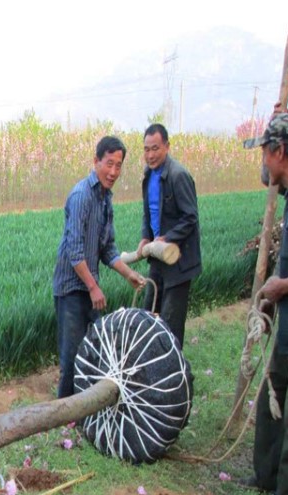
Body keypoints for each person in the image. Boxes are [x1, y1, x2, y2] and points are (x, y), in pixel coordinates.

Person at [52, 135, 146, 399]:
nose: (113, 171)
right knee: (71, 356)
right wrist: (94, 287)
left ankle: (87, 408)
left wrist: (129, 274)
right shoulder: (82, 195)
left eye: (118, 166)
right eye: (109, 164)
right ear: (96, 161)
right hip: (72, 289)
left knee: (95, 349)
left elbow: (107, 249)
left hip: (89, 286)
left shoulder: (105, 199)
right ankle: (65, 414)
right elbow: (74, 251)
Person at [242, 111, 288, 495]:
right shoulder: (287, 195)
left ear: (279, 151)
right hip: (286, 318)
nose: (262, 163)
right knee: (272, 397)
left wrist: (282, 286)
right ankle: (264, 475)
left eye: (264, 153)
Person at [136, 123, 201, 349]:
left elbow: (190, 217)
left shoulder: (178, 175)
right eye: (146, 149)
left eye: (155, 148)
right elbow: (148, 213)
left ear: (167, 147)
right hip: (157, 258)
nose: (150, 155)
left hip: (177, 262)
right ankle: (149, 367)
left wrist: (167, 238)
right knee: (148, 315)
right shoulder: (148, 176)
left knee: (171, 324)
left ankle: (172, 375)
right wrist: (147, 237)